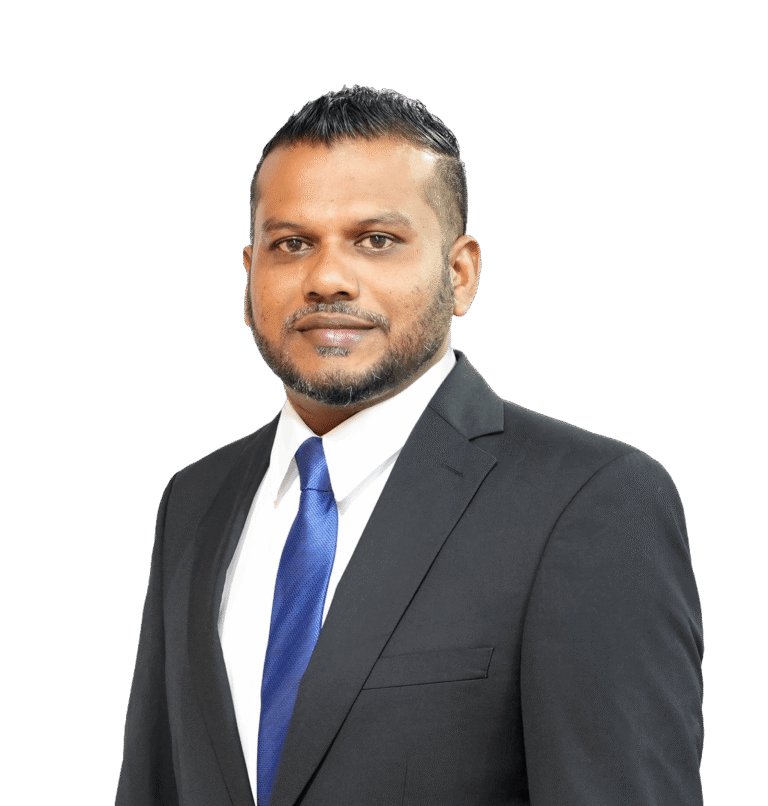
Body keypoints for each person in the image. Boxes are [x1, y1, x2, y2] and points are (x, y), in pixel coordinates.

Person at [115, 85, 705, 806]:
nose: (327, 279)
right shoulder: (195, 500)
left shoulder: (589, 502)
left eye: (377, 240)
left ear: (460, 274)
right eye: (291, 243)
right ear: (249, 279)